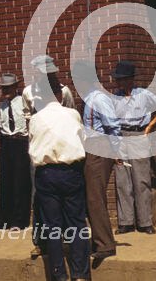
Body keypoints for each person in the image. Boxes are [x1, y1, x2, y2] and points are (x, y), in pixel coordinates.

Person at [28, 76, 90, 281]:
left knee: (52, 227)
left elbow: (32, 146)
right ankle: (80, 273)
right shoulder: (73, 114)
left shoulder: (36, 119)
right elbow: (83, 140)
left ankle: (58, 274)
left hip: (46, 174)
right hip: (71, 171)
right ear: (59, 94)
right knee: (77, 223)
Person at [22, 55, 76, 257]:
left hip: (62, 150)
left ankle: (64, 240)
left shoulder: (64, 91)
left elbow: (71, 116)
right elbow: (28, 120)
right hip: (40, 150)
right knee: (39, 195)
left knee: (64, 195)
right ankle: (40, 241)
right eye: (45, 73)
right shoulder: (28, 93)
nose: (50, 76)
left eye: (52, 73)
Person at [111, 61, 156, 235]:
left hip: (139, 136)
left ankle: (145, 221)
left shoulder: (143, 95)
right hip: (121, 136)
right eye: (118, 80)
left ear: (130, 79)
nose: (119, 83)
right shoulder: (115, 98)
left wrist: (150, 126)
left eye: (122, 79)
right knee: (122, 181)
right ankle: (126, 221)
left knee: (142, 180)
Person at [73, 61, 120, 260]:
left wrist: (116, 151)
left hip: (100, 146)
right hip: (93, 147)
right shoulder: (89, 98)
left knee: (95, 198)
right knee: (91, 197)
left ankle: (105, 244)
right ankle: (99, 240)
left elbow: (113, 125)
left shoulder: (99, 99)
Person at [0, 73, 31, 230]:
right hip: (6, 143)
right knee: (5, 183)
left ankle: (19, 220)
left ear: (16, 87)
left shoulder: (23, 102)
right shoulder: (2, 105)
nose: (6, 91)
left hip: (21, 143)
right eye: (3, 88)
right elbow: (0, 126)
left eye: (8, 87)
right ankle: (4, 220)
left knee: (20, 182)